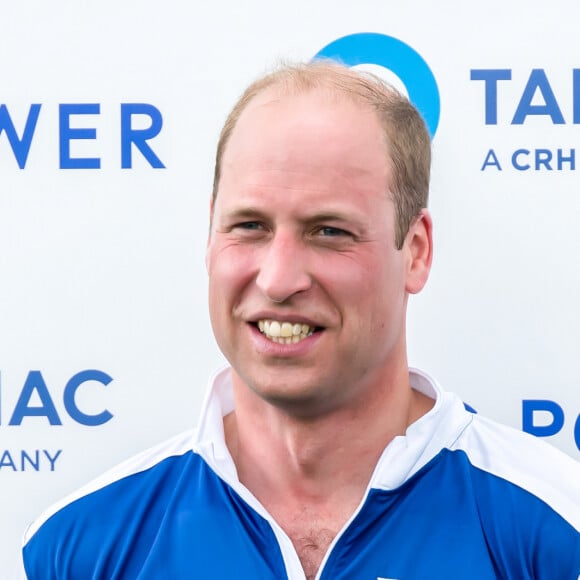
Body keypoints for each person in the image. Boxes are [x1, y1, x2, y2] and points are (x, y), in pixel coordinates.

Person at [21, 61, 580, 579]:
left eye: (329, 231)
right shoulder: (74, 548)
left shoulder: (554, 528)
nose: (278, 279)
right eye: (249, 226)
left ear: (415, 251)